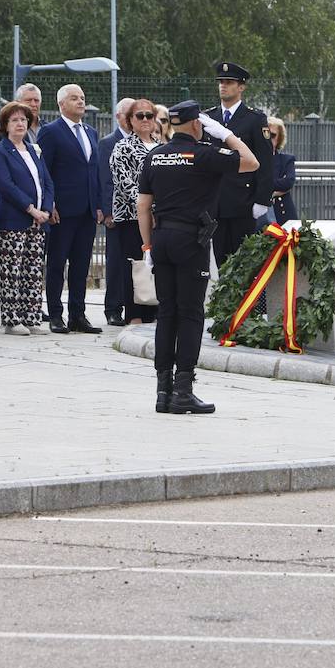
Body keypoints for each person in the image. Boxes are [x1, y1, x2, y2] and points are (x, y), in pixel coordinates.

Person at [137, 100, 258, 414]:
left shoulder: (155, 155)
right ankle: (183, 390)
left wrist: (147, 246)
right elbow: (251, 161)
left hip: (161, 238)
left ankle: (162, 392)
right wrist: (226, 134)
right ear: (197, 125)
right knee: (190, 314)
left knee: (167, 312)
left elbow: (142, 206)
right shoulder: (204, 154)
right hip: (190, 240)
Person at [36, 83, 103, 334]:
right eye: (75, 98)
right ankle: (55, 314)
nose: (81, 102)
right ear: (61, 104)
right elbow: (45, 171)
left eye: (83, 98)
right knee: (56, 263)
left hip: (86, 210)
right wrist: (49, 203)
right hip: (61, 210)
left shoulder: (91, 132)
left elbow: (93, 171)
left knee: (81, 265)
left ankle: (78, 314)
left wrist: (97, 204)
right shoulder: (51, 132)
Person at [0, 101, 55, 335]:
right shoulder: (0, 151)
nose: (20, 124)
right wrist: (31, 209)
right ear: (5, 125)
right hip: (14, 220)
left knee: (33, 271)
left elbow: (47, 181)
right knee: (12, 271)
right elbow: (6, 185)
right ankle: (11, 319)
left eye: (24, 120)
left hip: (38, 221)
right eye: (15, 120)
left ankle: (32, 317)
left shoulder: (33, 149)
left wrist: (45, 209)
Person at [204, 61, 274, 266]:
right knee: (218, 261)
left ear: (241, 87)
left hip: (242, 201)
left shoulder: (254, 119)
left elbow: (265, 161)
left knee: (243, 263)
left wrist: (262, 200)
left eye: (228, 82)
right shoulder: (210, 117)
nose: (223, 86)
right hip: (215, 202)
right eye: (220, 82)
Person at [110, 100, 161, 324]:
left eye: (149, 115)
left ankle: (154, 311)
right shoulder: (123, 147)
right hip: (131, 216)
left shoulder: (161, 146)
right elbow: (123, 181)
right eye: (139, 116)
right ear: (130, 120)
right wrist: (146, 204)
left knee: (156, 264)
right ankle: (134, 314)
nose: (145, 120)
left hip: (159, 217)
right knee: (135, 264)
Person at [99, 98, 134, 326]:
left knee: (134, 262)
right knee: (115, 262)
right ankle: (113, 308)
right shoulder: (108, 142)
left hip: (137, 213)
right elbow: (105, 179)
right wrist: (109, 211)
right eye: (129, 114)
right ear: (118, 116)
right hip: (118, 213)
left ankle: (134, 306)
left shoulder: (143, 141)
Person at [268, 116, 297, 224]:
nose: (268, 139)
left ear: (279, 138)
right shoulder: (252, 160)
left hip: (282, 210)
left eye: (273, 135)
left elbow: (288, 182)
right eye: (265, 135)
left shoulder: (286, 159)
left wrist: (265, 188)